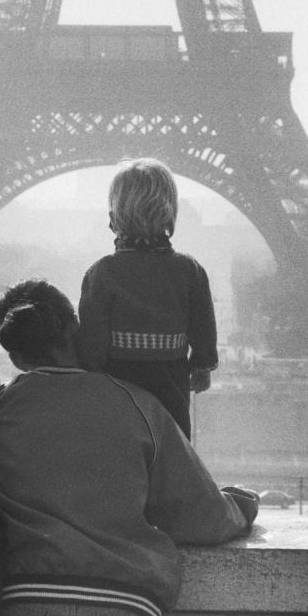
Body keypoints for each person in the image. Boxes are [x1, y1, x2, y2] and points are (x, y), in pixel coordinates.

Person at [0, 279, 258, 616]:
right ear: (75, 327)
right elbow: (201, 517)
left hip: (22, 597)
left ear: (14, 354)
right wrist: (242, 505)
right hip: (124, 600)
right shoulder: (138, 405)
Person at [78, 158, 217, 438]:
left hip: (117, 389)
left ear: (114, 215)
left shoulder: (102, 273)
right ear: (169, 211)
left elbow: (92, 346)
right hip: (171, 389)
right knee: (171, 456)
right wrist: (202, 366)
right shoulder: (189, 271)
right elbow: (203, 330)